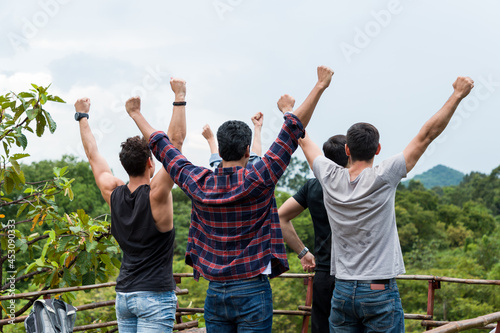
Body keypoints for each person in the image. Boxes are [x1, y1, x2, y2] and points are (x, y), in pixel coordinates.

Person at [125, 66, 334, 332]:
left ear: (220, 150)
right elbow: (291, 131)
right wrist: (319, 86)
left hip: (215, 292)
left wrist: (136, 114)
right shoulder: (259, 177)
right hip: (253, 289)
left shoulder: (199, 182)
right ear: (248, 150)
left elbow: (163, 147)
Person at [299, 76, 474, 332]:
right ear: (378, 149)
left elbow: (301, 136)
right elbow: (426, 136)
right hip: (379, 290)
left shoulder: (328, 177)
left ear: (347, 150)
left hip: (343, 290)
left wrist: (293, 106)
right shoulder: (384, 175)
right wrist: (457, 95)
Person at [75, 78, 187, 333]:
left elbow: (93, 156)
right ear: (151, 163)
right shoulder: (157, 194)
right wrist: (179, 96)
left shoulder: (112, 192)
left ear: (125, 166)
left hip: (124, 296)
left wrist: (82, 115)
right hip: (155, 297)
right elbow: (175, 145)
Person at [278, 117, 349, 333]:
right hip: (356, 274)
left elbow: (280, 217)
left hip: (324, 275)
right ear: (349, 153)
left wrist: (303, 252)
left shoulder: (313, 186)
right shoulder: (359, 183)